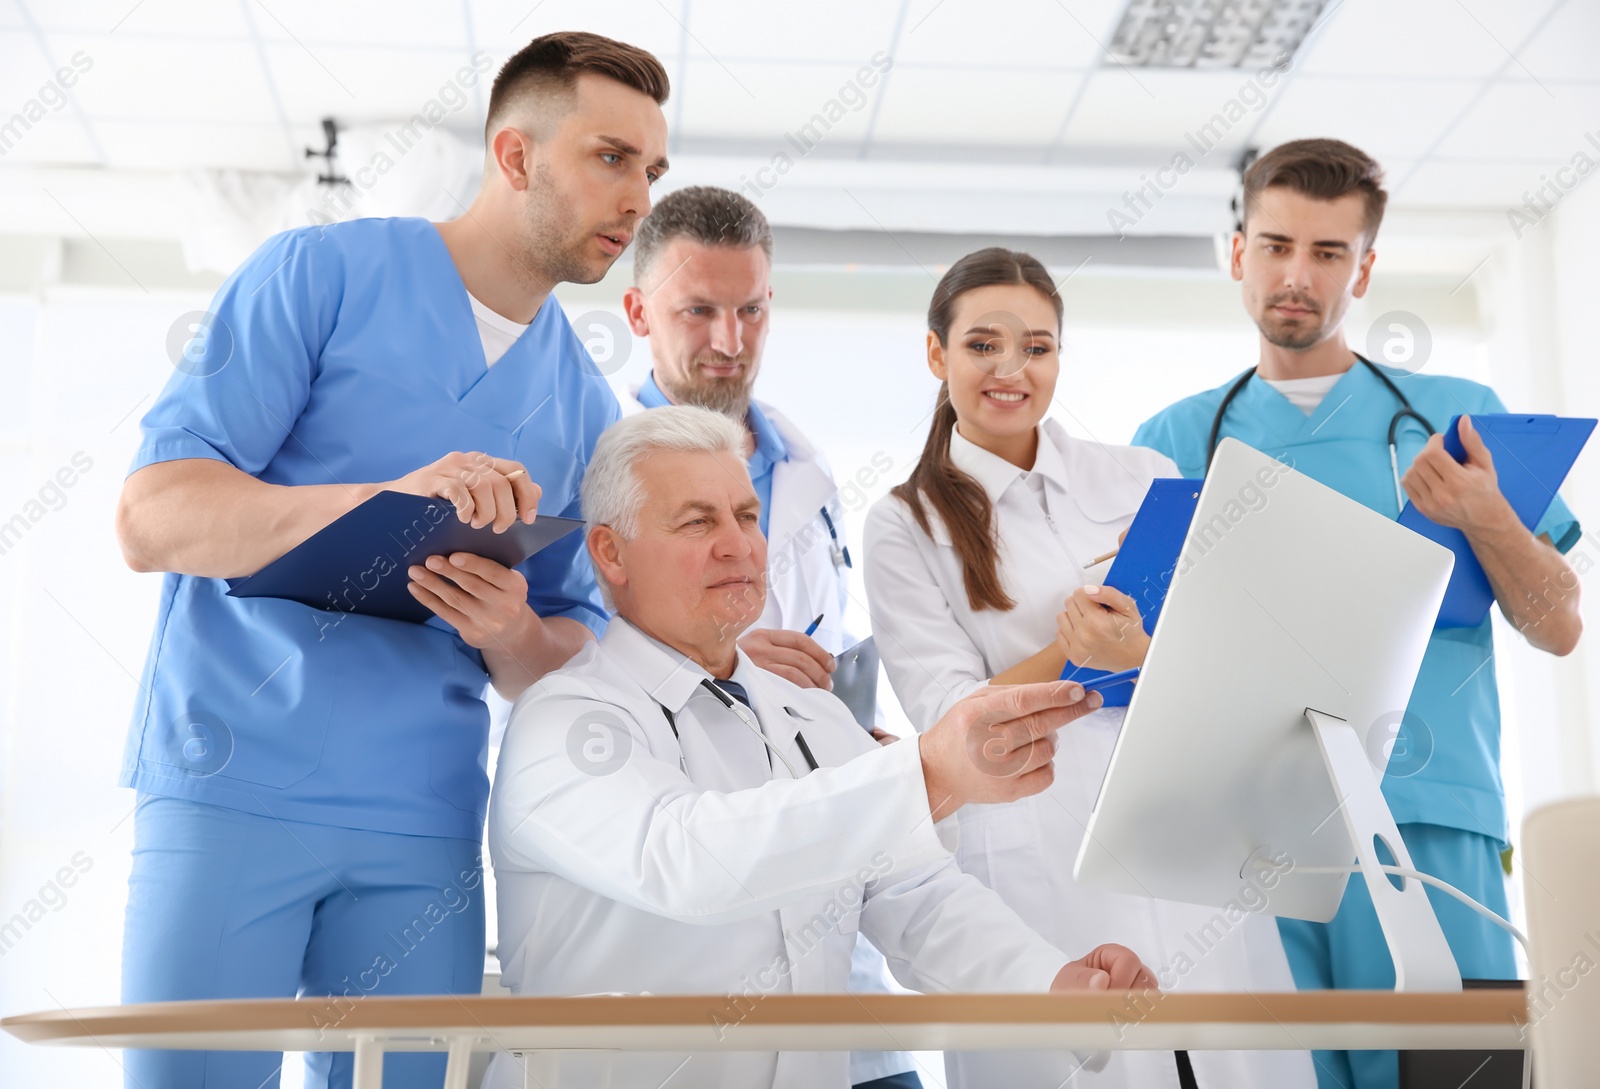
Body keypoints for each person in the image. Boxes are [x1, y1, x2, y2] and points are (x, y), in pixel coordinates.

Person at [112, 31, 670, 1089]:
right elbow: (152, 518)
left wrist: (510, 633)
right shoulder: (317, 276)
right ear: (514, 158)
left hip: (422, 825)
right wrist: (378, 503)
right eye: (611, 157)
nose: (639, 195)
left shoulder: (588, 409)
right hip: (235, 787)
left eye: (652, 170)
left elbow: (569, 659)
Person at [485, 405, 1156, 1089]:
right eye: (697, 521)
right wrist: (924, 769)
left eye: (746, 515)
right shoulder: (563, 723)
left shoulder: (813, 717)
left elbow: (917, 899)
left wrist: (1052, 984)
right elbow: (686, 861)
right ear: (609, 552)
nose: (737, 544)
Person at [1132, 138, 1583, 1089]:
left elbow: (1558, 623)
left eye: (1330, 253)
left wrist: (1484, 515)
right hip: (1246, 841)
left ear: (1365, 268)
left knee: (1455, 1078)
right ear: (1236, 250)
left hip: (1427, 817)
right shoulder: (1170, 443)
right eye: (1277, 244)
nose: (1298, 275)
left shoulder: (1457, 419)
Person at [863, 247, 1315, 1089]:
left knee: (1230, 1062)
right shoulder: (903, 524)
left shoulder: (1144, 477)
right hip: (1041, 856)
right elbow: (952, 724)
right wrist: (1079, 650)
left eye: (1037, 346)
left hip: (1186, 828)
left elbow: (1229, 659)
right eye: (982, 345)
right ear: (937, 355)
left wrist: (1138, 654)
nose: (1012, 368)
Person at [619, 184, 916, 1086]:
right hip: (676, 927)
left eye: (750, 309)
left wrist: (849, 740)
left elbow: (828, 660)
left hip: (832, 918)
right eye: (697, 310)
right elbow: (548, 674)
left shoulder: (807, 472)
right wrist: (735, 668)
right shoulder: (588, 467)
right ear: (637, 310)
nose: (728, 340)